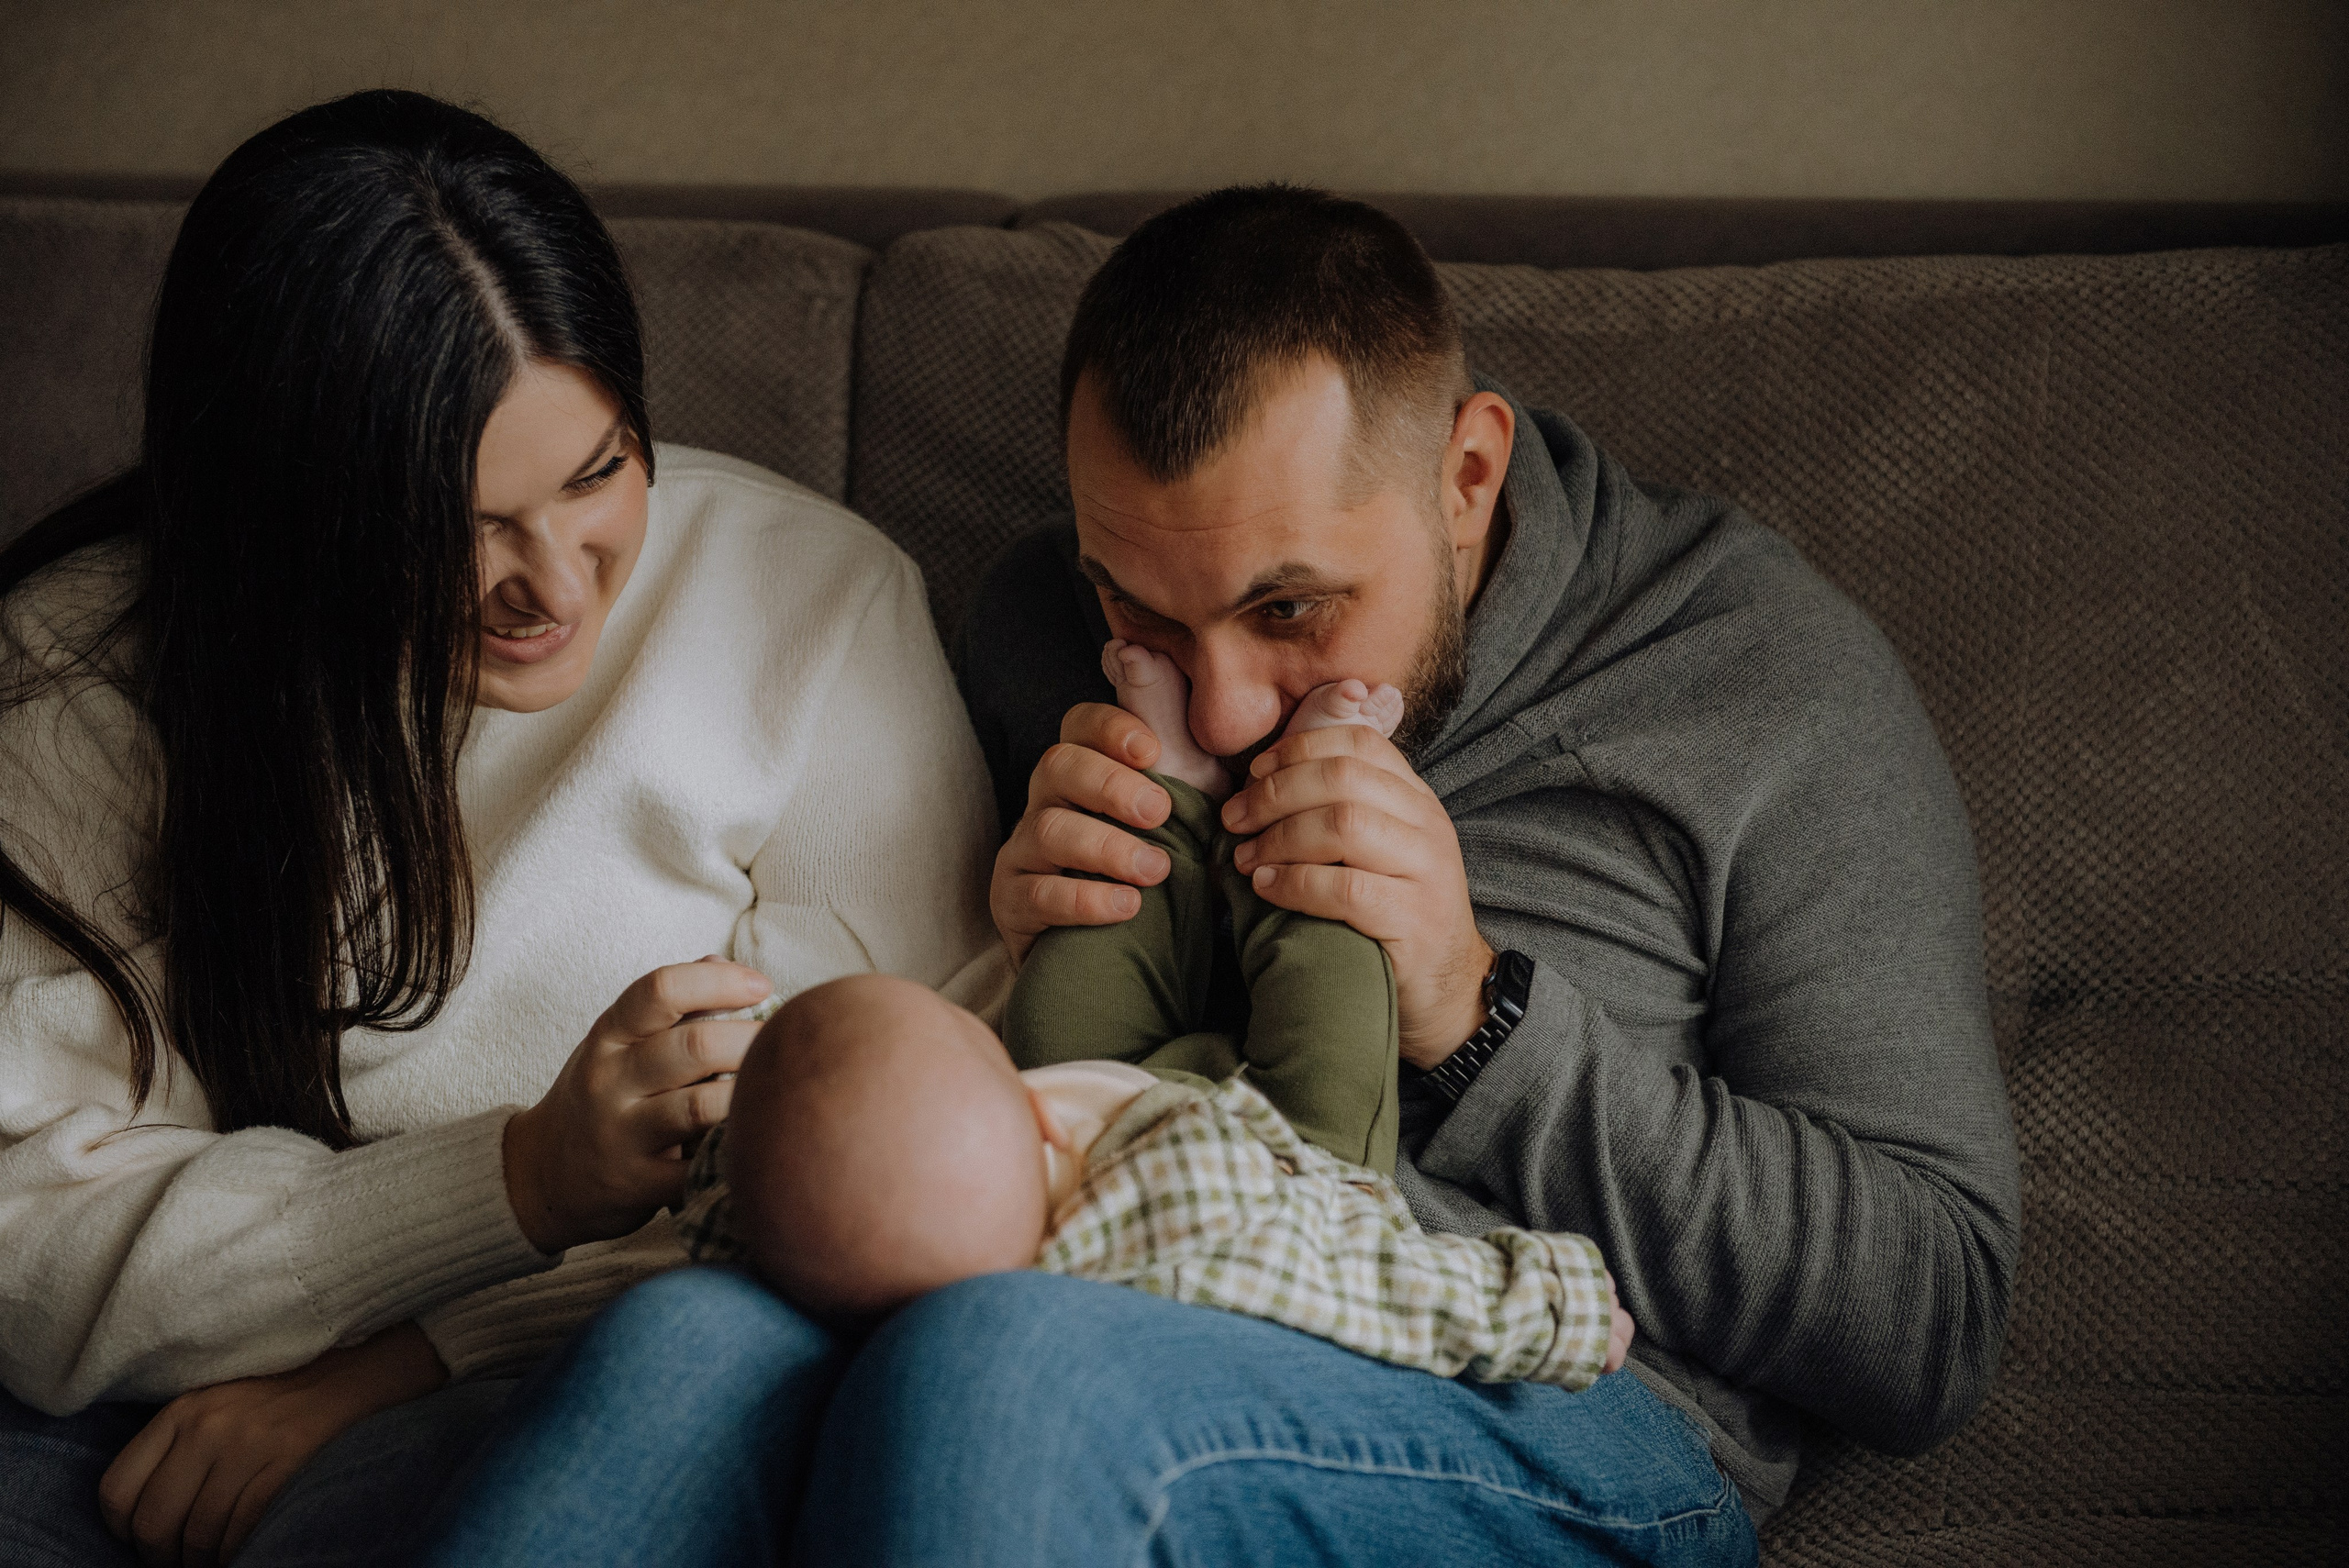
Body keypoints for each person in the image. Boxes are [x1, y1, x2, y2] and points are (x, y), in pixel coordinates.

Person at [420, 183, 2016, 1567]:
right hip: (1079, 1259)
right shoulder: (1042, 627)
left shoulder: (1759, 676)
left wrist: (1473, 1007)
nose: (1231, 699)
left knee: (1003, 1366)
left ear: (1468, 476)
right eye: (1151, 610)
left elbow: (1928, 1315)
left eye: (1295, 610)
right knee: (680, 1345)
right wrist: (1004, 935)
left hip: (1548, 1402)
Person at [0, 90, 999, 1568]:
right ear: (287, 514)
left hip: (590, 1366)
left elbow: (916, 1176)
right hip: (134, 1399)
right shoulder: (79, 672)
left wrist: (397, 1360)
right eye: (454, 527)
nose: (557, 585)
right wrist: (515, 1179)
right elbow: (32, 1248)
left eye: (597, 474)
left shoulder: (810, 606)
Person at [669, 971, 1631, 1388]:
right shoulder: (1182, 1231)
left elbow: (716, 1209)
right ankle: (1311, 797)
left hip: (1139, 1085)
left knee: (1076, 989)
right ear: (1040, 1113)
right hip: (1302, 1150)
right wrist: (1552, 1303)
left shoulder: (802, 1214)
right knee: (1331, 1002)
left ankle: (1165, 791)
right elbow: (1387, 1289)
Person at [1000, 639, 1405, 1171]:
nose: (1220, 722)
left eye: (1287, 608)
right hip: (1299, 1176)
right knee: (1337, 1052)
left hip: (1097, 1142)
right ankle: (1297, 810)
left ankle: (1173, 802)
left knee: (1055, 1046)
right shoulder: (1022, 619)